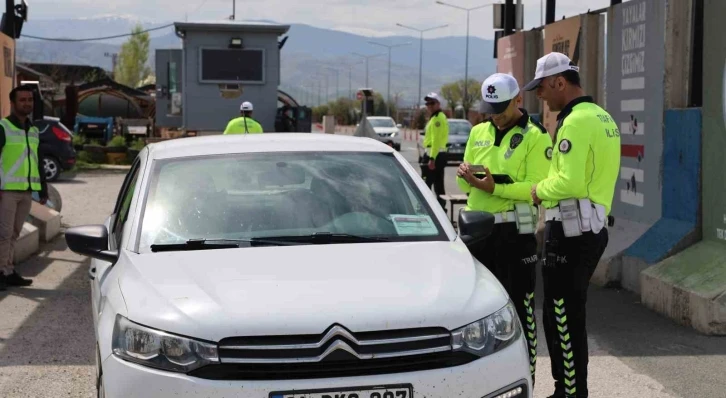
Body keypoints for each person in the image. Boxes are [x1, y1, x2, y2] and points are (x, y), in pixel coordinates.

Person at [524, 52, 620, 398]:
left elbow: (569, 183)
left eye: (542, 88)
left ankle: (569, 392)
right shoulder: (602, 116)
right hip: (589, 230)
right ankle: (572, 389)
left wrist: (537, 190)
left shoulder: (576, 121)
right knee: (569, 313)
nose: (541, 96)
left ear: (559, 82)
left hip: (570, 232)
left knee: (560, 316)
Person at [456, 73, 552, 385]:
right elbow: (463, 181)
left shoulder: (536, 136)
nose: (495, 114)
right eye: (489, 107)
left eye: (501, 107)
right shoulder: (479, 131)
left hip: (514, 235)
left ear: (518, 100)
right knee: (471, 316)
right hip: (477, 234)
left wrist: (495, 186)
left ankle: (528, 382)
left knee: (522, 312)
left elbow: (538, 188)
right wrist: (465, 175)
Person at [0, 85, 48, 291]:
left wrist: (43, 190)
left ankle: (8, 270)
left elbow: (37, 162)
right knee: (3, 234)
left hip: (26, 191)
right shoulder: (3, 127)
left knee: (14, 233)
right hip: (6, 191)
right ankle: (2, 272)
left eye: (30, 100)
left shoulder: (34, 130)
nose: (27, 103)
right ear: (13, 103)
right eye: (22, 100)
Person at [420, 92, 449, 209]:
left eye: (432, 103)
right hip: (437, 154)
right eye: (427, 103)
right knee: (438, 184)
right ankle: (441, 208)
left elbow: (435, 140)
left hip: (434, 155)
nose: (429, 105)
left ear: (438, 104)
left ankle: (424, 208)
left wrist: (432, 158)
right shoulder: (436, 117)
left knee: (425, 183)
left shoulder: (437, 119)